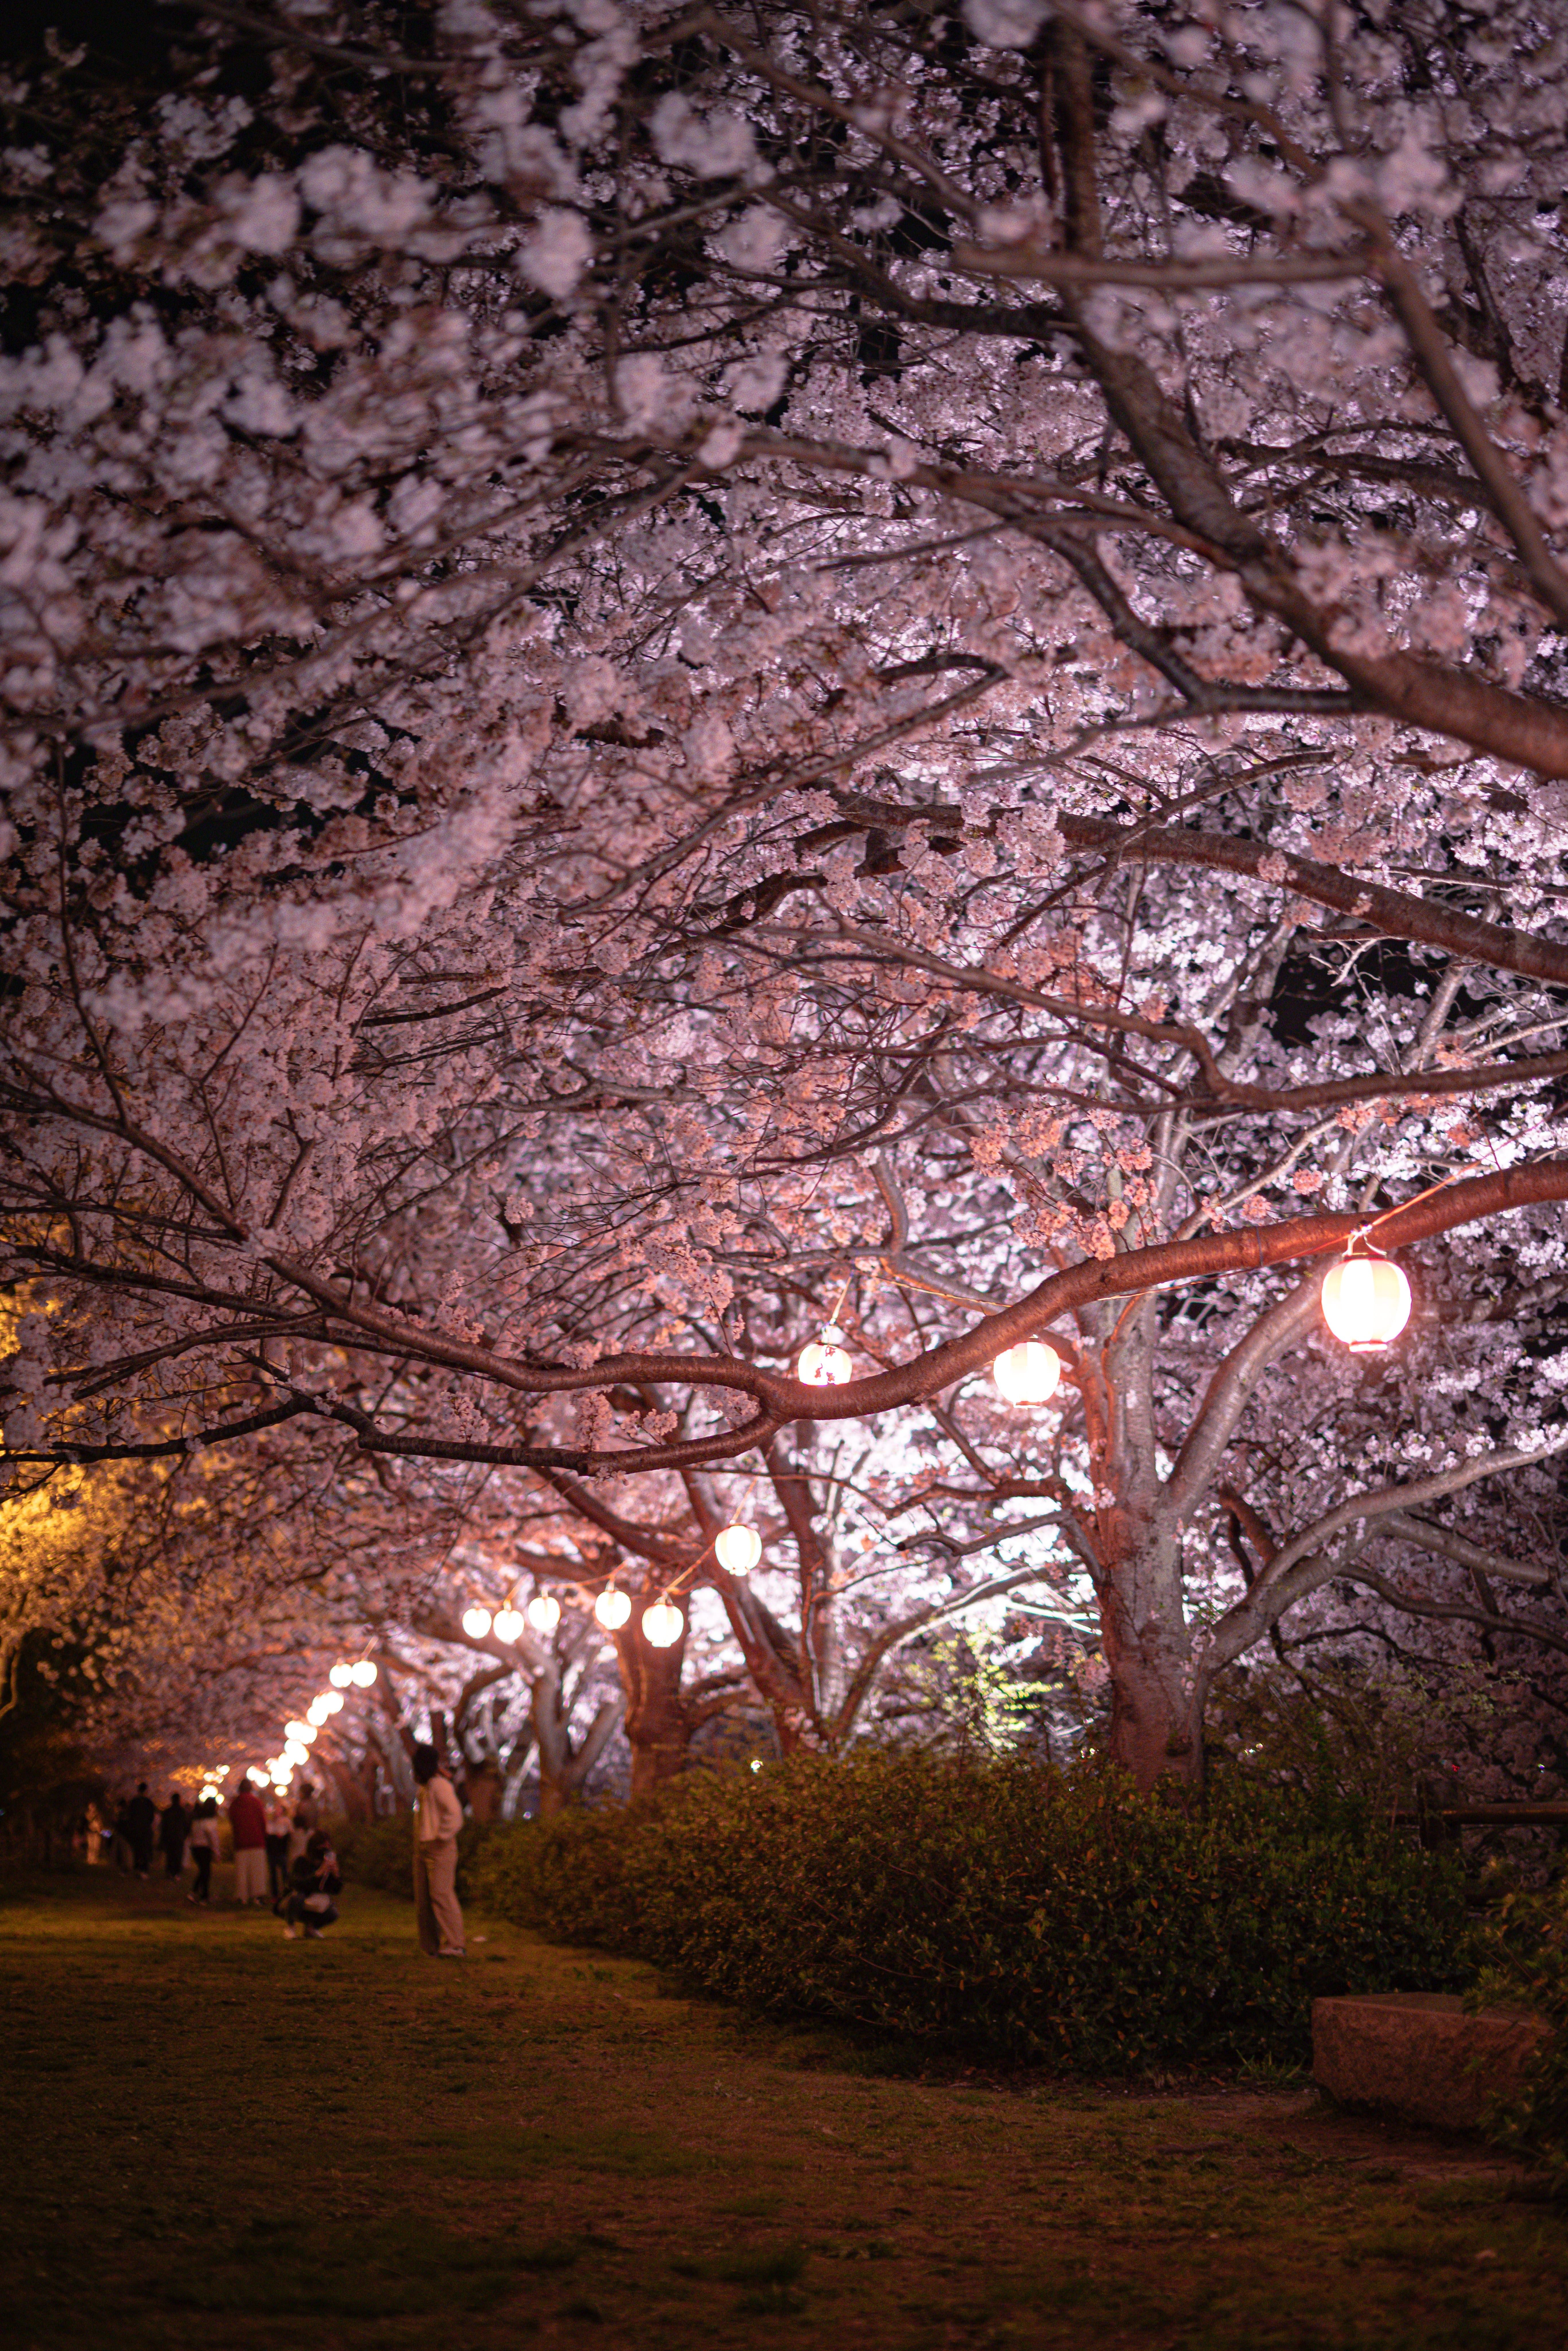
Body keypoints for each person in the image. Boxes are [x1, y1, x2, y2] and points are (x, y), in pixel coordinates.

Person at [412, 1742, 465, 1958]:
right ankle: (432, 1945)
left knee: (442, 1894)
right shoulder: (427, 1787)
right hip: (425, 1847)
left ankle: (456, 1944)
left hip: (439, 1848)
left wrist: (441, 1837)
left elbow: (455, 1815)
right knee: (426, 1897)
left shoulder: (439, 1785)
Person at [282, 1830, 343, 1941]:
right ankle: (290, 1928)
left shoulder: (327, 1863)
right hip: (295, 1902)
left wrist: (336, 1876)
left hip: (315, 1902)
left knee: (333, 1913)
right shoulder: (302, 1861)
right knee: (298, 1897)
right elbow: (295, 1884)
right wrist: (318, 1874)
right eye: (322, 1846)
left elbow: (336, 1891)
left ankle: (311, 1929)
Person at [229, 1774, 269, 1905]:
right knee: (257, 1871)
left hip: (241, 1842)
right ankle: (258, 1897)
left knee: (242, 1872)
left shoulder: (235, 1804)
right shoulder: (257, 1803)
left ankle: (242, 1897)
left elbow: (233, 1821)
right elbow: (263, 1822)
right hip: (257, 1841)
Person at [187, 1797, 220, 1905]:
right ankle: (200, 1896)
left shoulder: (198, 1819)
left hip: (196, 1848)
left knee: (204, 1872)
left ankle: (200, 1894)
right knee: (205, 1872)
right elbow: (212, 1837)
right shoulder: (210, 1820)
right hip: (204, 1848)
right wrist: (217, 1852)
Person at [263, 1789, 291, 1905]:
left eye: (280, 1809)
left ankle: (287, 1893)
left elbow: (290, 1834)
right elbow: (267, 1833)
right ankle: (275, 1895)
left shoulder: (286, 1822)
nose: (277, 1811)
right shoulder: (270, 1822)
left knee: (285, 1873)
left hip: (282, 1850)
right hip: (273, 1851)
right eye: (276, 1809)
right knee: (273, 1874)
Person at [124, 1782, 156, 1878]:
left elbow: (130, 1816)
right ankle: (144, 1870)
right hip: (146, 1830)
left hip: (136, 1830)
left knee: (137, 1850)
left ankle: (137, 1868)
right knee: (145, 1851)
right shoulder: (149, 1803)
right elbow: (152, 1817)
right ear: (146, 1791)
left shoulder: (134, 1802)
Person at [159, 1791, 191, 1880]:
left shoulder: (167, 1812)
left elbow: (164, 1826)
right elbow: (186, 1825)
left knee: (170, 1855)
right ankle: (176, 1873)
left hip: (169, 1837)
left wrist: (164, 1837)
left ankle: (169, 1872)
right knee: (178, 1855)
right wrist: (185, 1835)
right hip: (179, 1837)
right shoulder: (183, 1812)